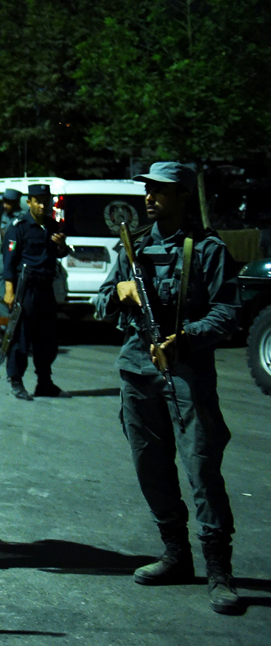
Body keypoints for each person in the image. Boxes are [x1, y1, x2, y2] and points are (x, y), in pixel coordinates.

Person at [96, 161, 241, 615]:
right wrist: (119, 292)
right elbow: (101, 305)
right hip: (137, 371)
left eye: (161, 190)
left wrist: (186, 338)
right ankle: (176, 554)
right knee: (150, 467)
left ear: (181, 197)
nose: (149, 197)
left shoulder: (207, 249)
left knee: (202, 469)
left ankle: (219, 571)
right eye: (148, 190)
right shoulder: (133, 247)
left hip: (186, 374)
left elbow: (228, 311)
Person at [2, 183, 70, 400]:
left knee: (47, 338)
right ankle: (16, 380)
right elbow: (9, 262)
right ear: (29, 202)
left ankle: (45, 381)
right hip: (26, 288)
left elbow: (59, 254)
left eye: (46, 200)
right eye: (38, 201)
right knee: (21, 337)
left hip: (45, 288)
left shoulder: (52, 225)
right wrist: (9, 291)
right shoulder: (18, 226)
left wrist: (61, 246)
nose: (43, 205)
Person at [0, 188, 25, 322]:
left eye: (9, 202)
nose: (5, 205)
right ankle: (8, 324)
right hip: (2, 257)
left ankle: (11, 323)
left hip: (13, 258)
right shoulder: (5, 215)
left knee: (6, 293)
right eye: (4, 201)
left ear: (16, 202)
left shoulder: (21, 217)